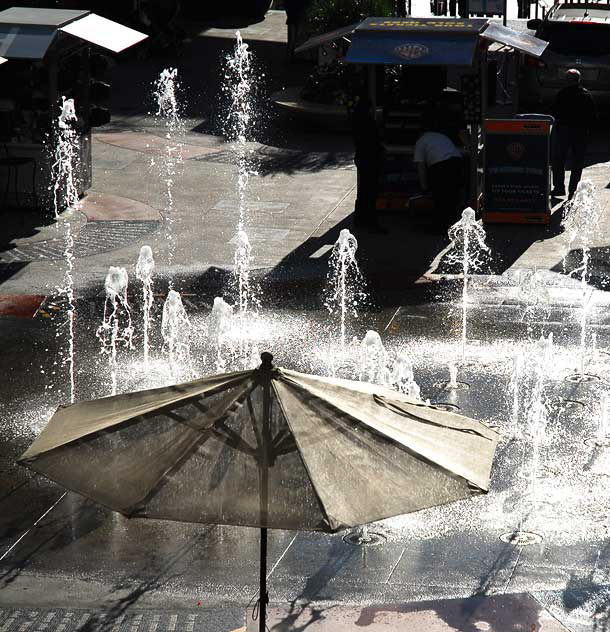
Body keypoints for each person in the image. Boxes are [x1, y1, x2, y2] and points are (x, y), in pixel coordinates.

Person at [413, 111, 464, 231]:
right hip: (457, 162)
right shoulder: (441, 136)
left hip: (441, 166)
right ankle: (453, 225)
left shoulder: (420, 142)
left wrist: (424, 186)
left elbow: (420, 166)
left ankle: (438, 227)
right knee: (452, 195)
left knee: (440, 197)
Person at [551, 68, 597, 200]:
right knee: (577, 162)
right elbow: (593, 116)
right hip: (581, 132)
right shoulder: (586, 95)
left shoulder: (562, 94)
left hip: (564, 130)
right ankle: (573, 191)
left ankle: (559, 187)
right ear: (579, 80)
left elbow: (553, 111)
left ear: (567, 80)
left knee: (559, 160)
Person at [351, 97, 386, 232]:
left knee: (364, 191)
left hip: (362, 157)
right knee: (370, 192)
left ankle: (360, 219)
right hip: (370, 158)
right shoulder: (368, 122)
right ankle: (370, 221)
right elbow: (375, 140)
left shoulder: (357, 121)